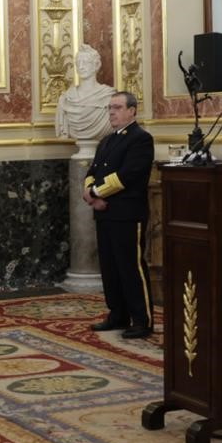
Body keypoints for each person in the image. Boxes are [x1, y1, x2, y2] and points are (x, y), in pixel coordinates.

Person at [82, 92, 156, 339]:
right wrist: (89, 192)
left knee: (130, 266)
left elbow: (127, 176)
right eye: (110, 108)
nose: (112, 112)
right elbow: (93, 171)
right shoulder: (106, 141)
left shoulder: (141, 139)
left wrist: (94, 193)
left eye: (117, 107)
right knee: (110, 267)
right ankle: (118, 314)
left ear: (132, 110)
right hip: (105, 214)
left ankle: (142, 320)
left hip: (127, 213)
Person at [54, 44, 116, 142]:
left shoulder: (109, 96)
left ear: (96, 65)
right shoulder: (66, 99)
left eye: (86, 62)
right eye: (78, 63)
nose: (81, 67)